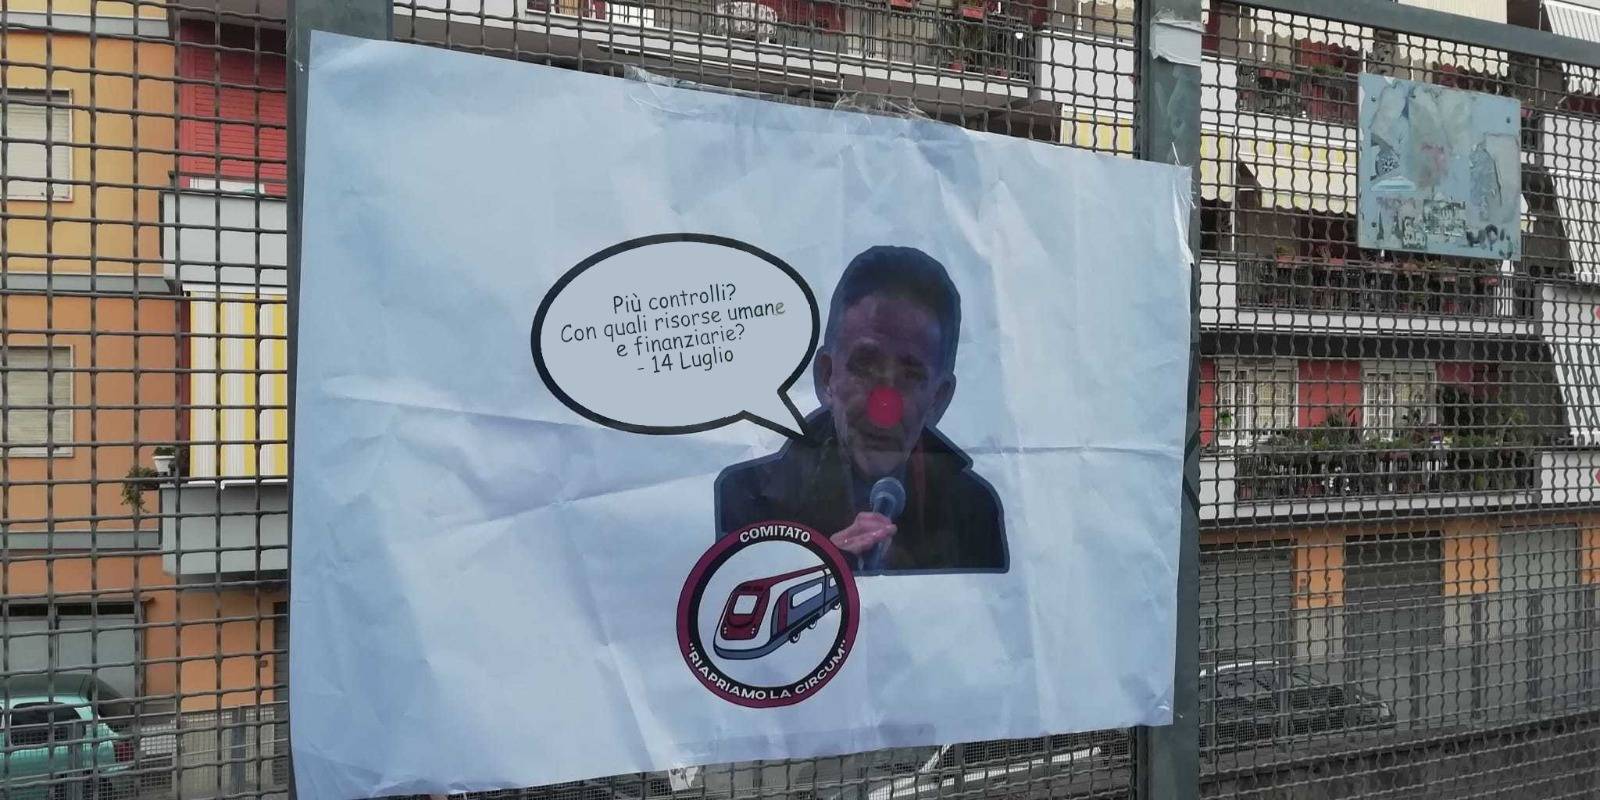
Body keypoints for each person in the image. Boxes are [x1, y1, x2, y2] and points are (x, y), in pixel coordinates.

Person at [714, 246, 1006, 574]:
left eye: (911, 376)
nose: (884, 407)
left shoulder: (975, 515)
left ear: (938, 399)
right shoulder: (746, 501)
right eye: (865, 365)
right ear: (827, 376)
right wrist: (821, 571)